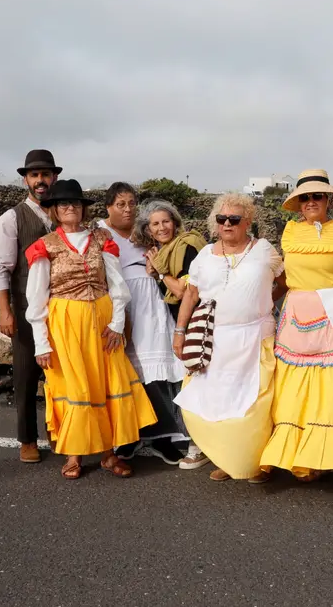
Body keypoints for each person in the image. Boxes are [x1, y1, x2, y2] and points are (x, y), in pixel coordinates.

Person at [23, 179, 158, 480]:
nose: (70, 207)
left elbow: (118, 285)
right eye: (63, 204)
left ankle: (109, 454)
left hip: (103, 319)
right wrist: (41, 343)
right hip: (65, 323)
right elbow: (36, 297)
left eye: (75, 203)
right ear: (55, 211)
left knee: (106, 384)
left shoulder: (101, 239)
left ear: (83, 208)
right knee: (76, 386)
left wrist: (117, 324)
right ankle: (75, 455)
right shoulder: (45, 246)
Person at [259, 169, 333, 483]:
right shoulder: (289, 233)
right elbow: (285, 278)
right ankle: (304, 458)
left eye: (316, 196)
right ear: (298, 203)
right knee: (297, 389)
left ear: (328, 199)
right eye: (305, 197)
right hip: (299, 317)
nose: (311, 201)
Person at [172, 193, 286, 483]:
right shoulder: (205, 255)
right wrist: (180, 332)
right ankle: (227, 459)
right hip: (215, 340)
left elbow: (284, 280)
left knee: (255, 405)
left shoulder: (263, 249)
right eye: (221, 219)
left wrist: (263, 301)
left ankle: (256, 463)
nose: (227, 224)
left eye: (234, 219)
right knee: (218, 402)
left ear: (247, 221)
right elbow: (191, 294)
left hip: (255, 337)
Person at [96, 184, 186, 465]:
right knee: (127, 371)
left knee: (156, 371)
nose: (127, 209)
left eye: (132, 203)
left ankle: (164, 436)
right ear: (108, 206)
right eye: (120, 204)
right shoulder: (99, 233)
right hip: (121, 302)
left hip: (152, 301)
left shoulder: (144, 231)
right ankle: (128, 436)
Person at [0, 149, 60, 464]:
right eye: (35, 175)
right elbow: (0, 269)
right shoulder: (12, 218)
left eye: (46, 174)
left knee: (61, 376)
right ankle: (28, 439)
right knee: (27, 376)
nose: (41, 180)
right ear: (26, 179)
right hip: (26, 310)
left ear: (54, 177)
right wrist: (5, 311)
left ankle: (60, 433)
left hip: (63, 310)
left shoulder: (64, 215)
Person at [136, 199, 209, 470]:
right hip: (182, 322)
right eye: (155, 224)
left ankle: (198, 446)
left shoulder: (187, 247)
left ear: (176, 223)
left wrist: (160, 272)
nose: (162, 227)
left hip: (195, 322)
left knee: (195, 383)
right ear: (149, 230)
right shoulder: (165, 252)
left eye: (166, 221)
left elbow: (182, 291)